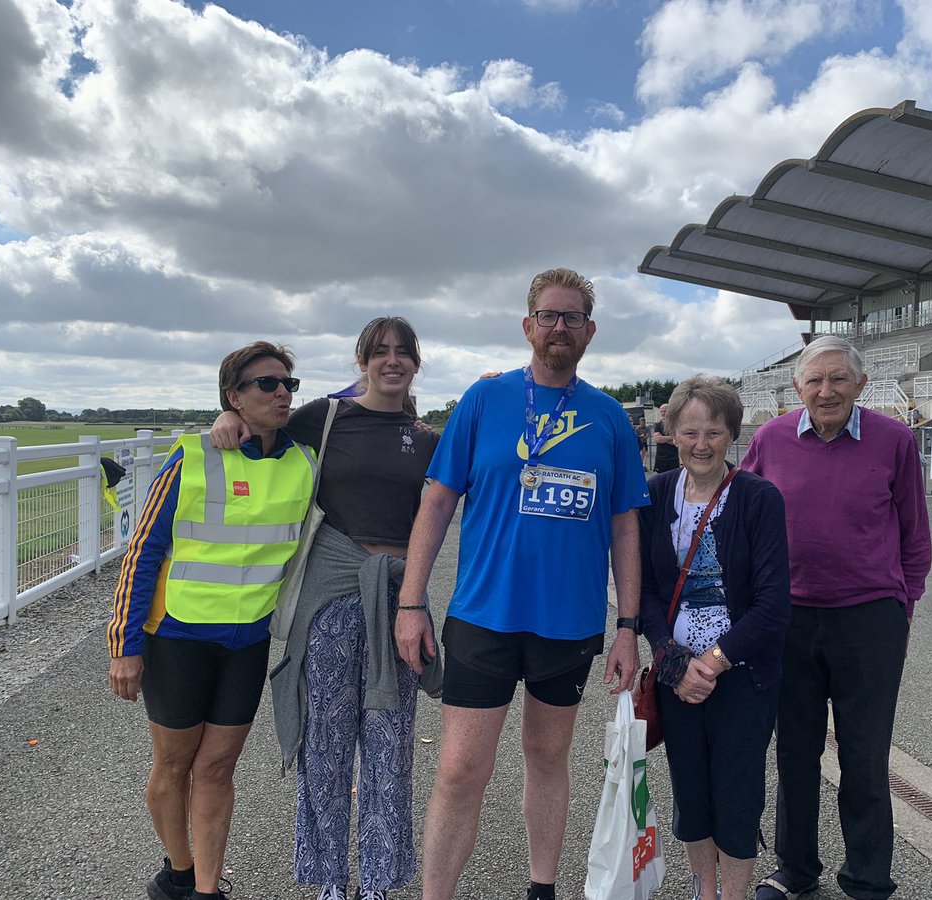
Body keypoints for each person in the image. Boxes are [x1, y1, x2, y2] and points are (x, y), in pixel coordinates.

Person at [394, 267, 650, 900]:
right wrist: (411, 601)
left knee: (547, 757)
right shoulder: (485, 400)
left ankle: (542, 888)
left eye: (572, 317)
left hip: (569, 622)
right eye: (549, 315)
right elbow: (437, 502)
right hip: (484, 614)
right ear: (528, 325)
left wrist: (627, 627)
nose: (560, 326)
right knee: (460, 770)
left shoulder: (609, 418)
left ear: (590, 330)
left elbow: (625, 527)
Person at [210, 317, 442, 900]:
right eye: (379, 351)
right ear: (361, 361)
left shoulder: (426, 436)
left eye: (403, 352)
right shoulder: (324, 416)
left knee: (390, 745)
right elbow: (262, 427)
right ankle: (329, 879)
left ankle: (379, 880)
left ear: (417, 363)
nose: (392, 361)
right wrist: (227, 419)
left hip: (396, 599)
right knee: (326, 743)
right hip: (330, 597)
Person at [108, 342, 317, 900]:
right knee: (174, 765)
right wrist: (124, 645)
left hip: (248, 641)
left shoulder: (305, 460)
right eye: (267, 384)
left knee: (219, 768)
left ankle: (206, 889)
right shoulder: (193, 457)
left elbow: (364, 395)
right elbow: (142, 552)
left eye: (289, 384)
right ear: (234, 396)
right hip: (178, 636)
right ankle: (178, 873)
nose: (282, 393)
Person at [740, 335, 931, 900]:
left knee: (864, 755)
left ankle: (867, 878)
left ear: (861, 385)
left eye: (839, 379)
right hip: (788, 617)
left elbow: (914, 532)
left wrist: (904, 606)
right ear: (796, 387)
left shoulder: (894, 440)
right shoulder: (771, 438)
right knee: (795, 752)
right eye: (815, 380)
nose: (827, 391)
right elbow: (739, 513)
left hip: (868, 618)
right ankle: (795, 870)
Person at [639, 375, 791, 900]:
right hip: (676, 674)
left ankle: (735, 895)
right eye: (690, 432)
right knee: (691, 792)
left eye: (714, 432)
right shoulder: (656, 494)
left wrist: (713, 663)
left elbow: (773, 604)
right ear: (673, 434)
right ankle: (705, 893)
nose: (701, 444)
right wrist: (673, 662)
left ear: (732, 435)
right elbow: (646, 592)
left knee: (737, 793)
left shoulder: (759, 498)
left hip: (743, 674)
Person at [653, 401, 680, 474]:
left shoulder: (676, 425)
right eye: (661, 411)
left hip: (674, 458)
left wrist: (663, 439)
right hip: (661, 458)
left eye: (665, 411)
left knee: (673, 478)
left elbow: (678, 441)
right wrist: (672, 437)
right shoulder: (658, 425)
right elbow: (658, 439)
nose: (663, 413)